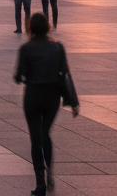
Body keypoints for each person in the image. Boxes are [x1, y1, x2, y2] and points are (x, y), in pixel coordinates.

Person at [15, 13, 79, 196]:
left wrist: (24, 76)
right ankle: (50, 173)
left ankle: (40, 182)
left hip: (33, 96)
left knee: (36, 139)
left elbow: (18, 76)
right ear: (48, 26)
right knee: (45, 134)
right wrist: (73, 101)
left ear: (31, 28)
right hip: (52, 98)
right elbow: (65, 74)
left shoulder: (26, 48)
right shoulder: (58, 47)